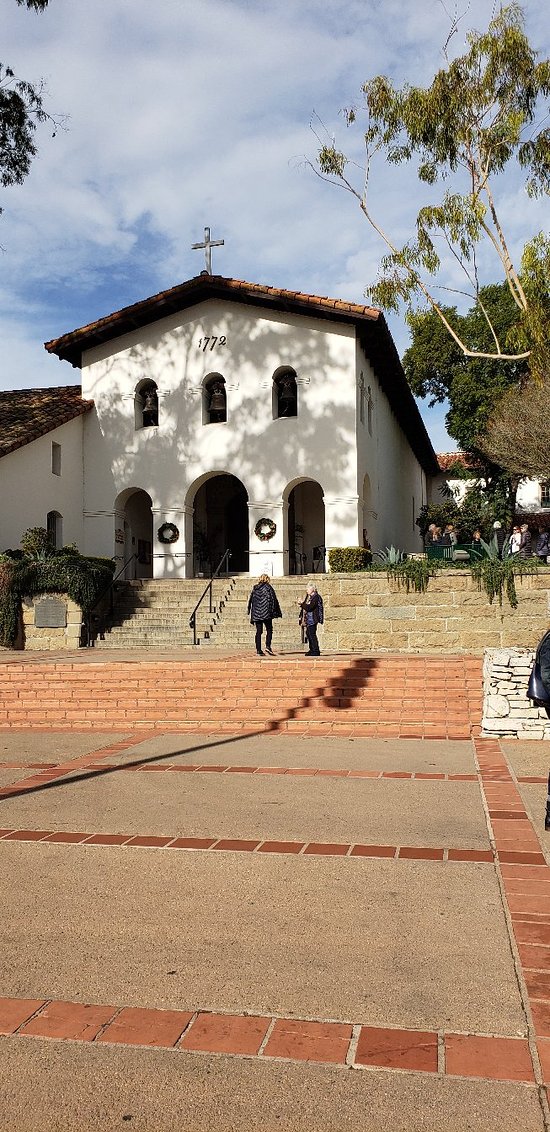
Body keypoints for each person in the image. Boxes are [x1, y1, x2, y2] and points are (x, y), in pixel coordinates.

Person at [247, 574, 282, 656]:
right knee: (269, 629)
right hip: (266, 613)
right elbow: (273, 599)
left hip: (256, 613)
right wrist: (275, 611)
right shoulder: (268, 588)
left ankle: (258, 650)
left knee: (259, 631)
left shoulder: (255, 588)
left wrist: (250, 611)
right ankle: (268, 646)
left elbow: (251, 601)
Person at [298, 582, 324, 657]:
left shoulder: (316, 597)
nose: (307, 590)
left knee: (312, 634)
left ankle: (315, 650)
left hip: (313, 619)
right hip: (309, 619)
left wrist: (302, 604)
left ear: (312, 589)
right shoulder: (310, 597)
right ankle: (312, 649)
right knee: (309, 634)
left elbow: (310, 607)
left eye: (308, 589)